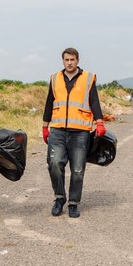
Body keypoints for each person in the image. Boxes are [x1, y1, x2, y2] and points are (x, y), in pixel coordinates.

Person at [42, 47, 106, 218]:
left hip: (80, 132)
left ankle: (73, 203)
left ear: (78, 60)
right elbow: (49, 102)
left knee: (77, 170)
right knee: (54, 163)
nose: (69, 63)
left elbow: (94, 101)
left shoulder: (88, 78)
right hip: (58, 130)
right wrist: (45, 126)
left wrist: (99, 122)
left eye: (72, 60)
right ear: (63, 61)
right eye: (66, 60)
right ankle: (59, 198)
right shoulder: (55, 78)